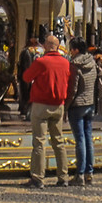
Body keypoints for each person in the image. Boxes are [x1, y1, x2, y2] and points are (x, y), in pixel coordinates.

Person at [22, 33, 73, 187]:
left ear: (45, 46)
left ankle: (38, 177)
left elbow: (26, 77)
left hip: (41, 104)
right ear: (57, 47)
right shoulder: (65, 63)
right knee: (58, 141)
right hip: (58, 105)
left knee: (39, 142)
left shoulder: (41, 62)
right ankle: (63, 176)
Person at [66, 36, 101, 185]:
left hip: (77, 105)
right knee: (88, 138)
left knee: (80, 139)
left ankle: (79, 173)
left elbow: (73, 89)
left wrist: (66, 105)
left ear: (75, 50)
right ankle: (89, 172)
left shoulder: (75, 65)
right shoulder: (92, 62)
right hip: (90, 103)